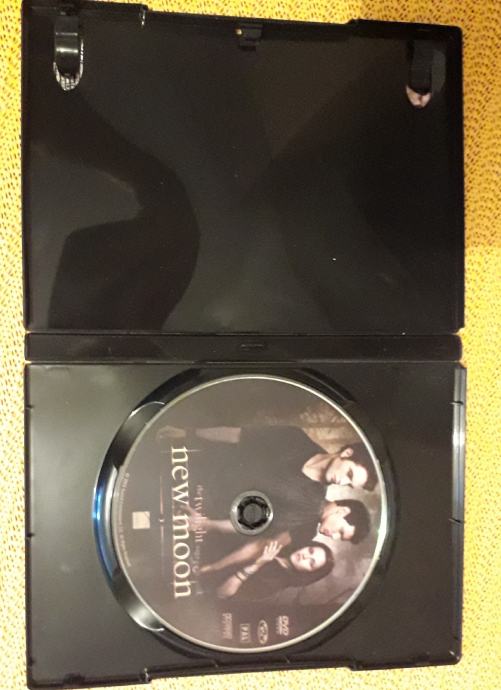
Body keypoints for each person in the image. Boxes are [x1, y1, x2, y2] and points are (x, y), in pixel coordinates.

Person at [214, 538, 334, 601]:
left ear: (308, 574)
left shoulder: (274, 584)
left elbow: (222, 593)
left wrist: (257, 565)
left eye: (311, 563)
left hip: (208, 579)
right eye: (310, 551)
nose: (305, 556)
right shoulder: (283, 545)